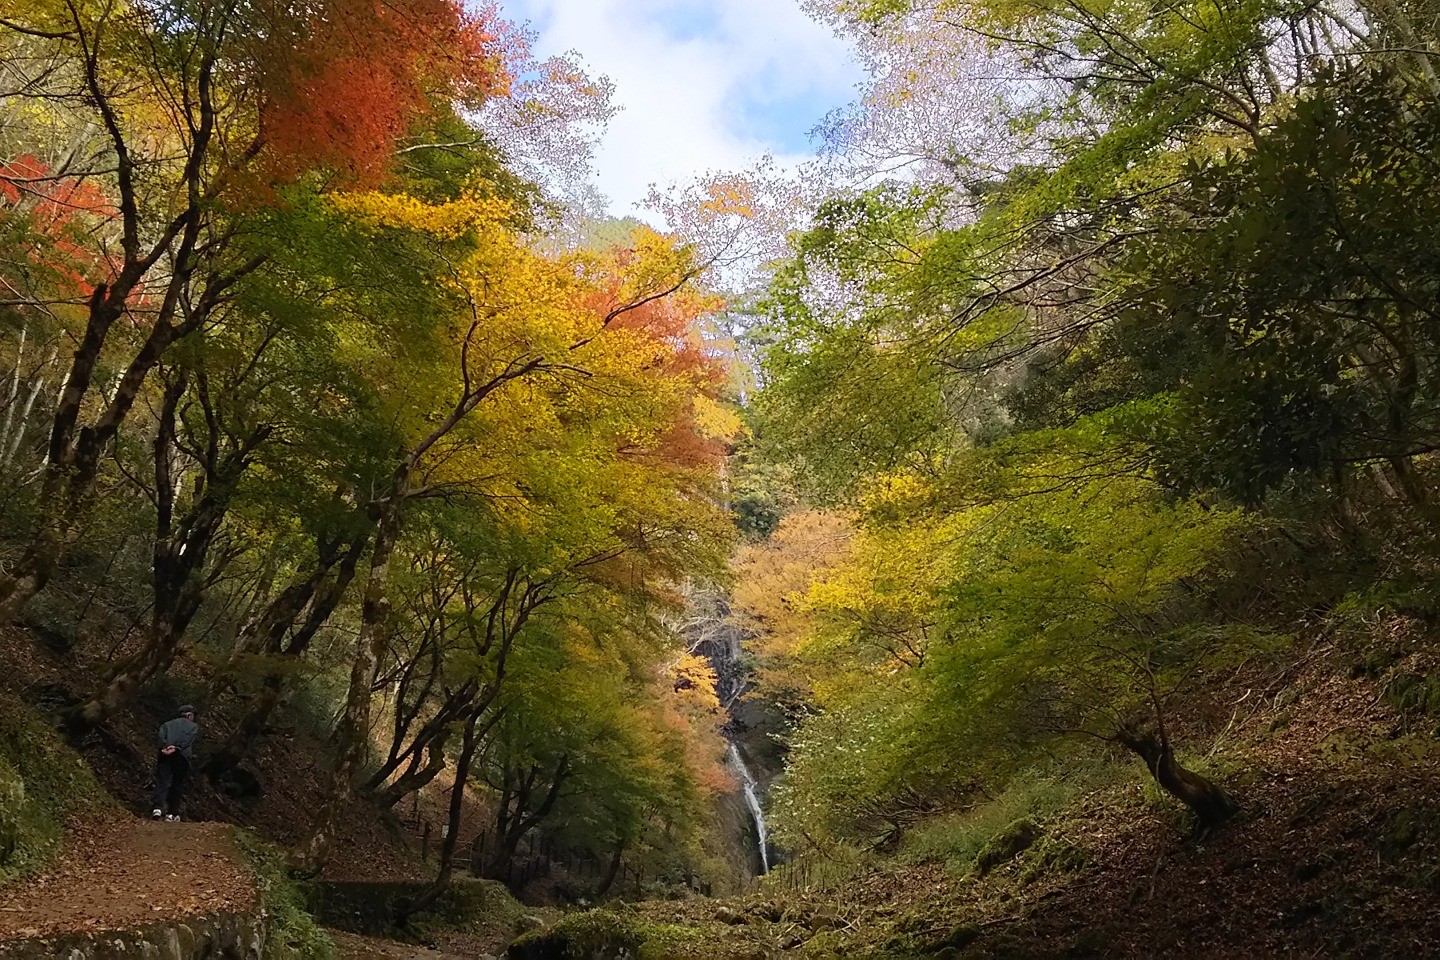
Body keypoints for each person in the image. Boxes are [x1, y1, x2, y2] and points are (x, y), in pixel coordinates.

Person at [151, 704, 199, 822]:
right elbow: (188, 739)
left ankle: (157, 808)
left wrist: (165, 747)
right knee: (177, 783)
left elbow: (161, 736)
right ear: (189, 715)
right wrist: (177, 747)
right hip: (181, 756)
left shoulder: (167, 724)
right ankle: (171, 813)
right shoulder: (193, 727)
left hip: (164, 754)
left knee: (162, 779)